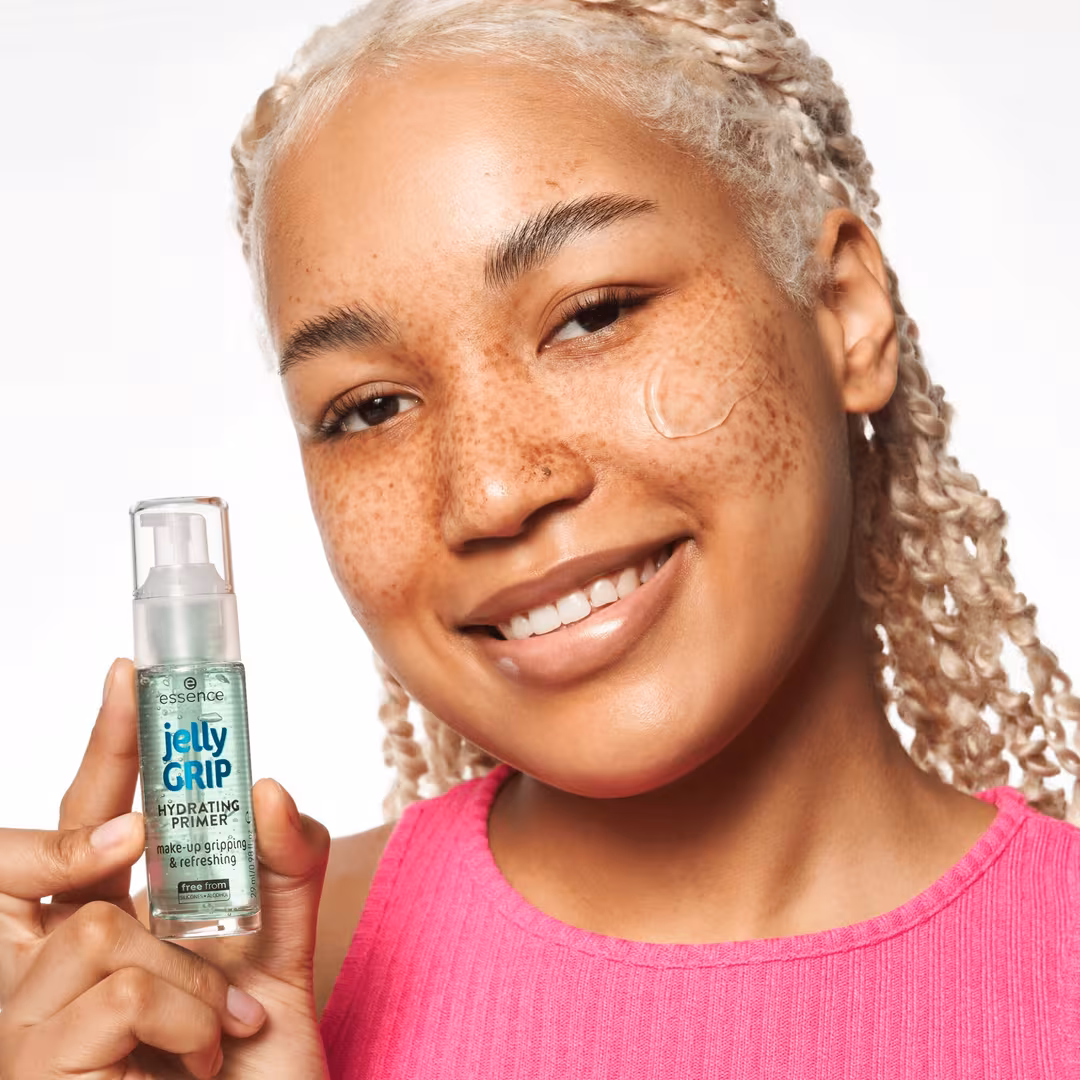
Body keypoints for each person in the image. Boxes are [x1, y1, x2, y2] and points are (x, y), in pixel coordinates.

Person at [1, 0, 1078, 1076]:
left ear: (843, 309)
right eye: (370, 408)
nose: (491, 491)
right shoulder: (233, 1000)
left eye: (593, 314)